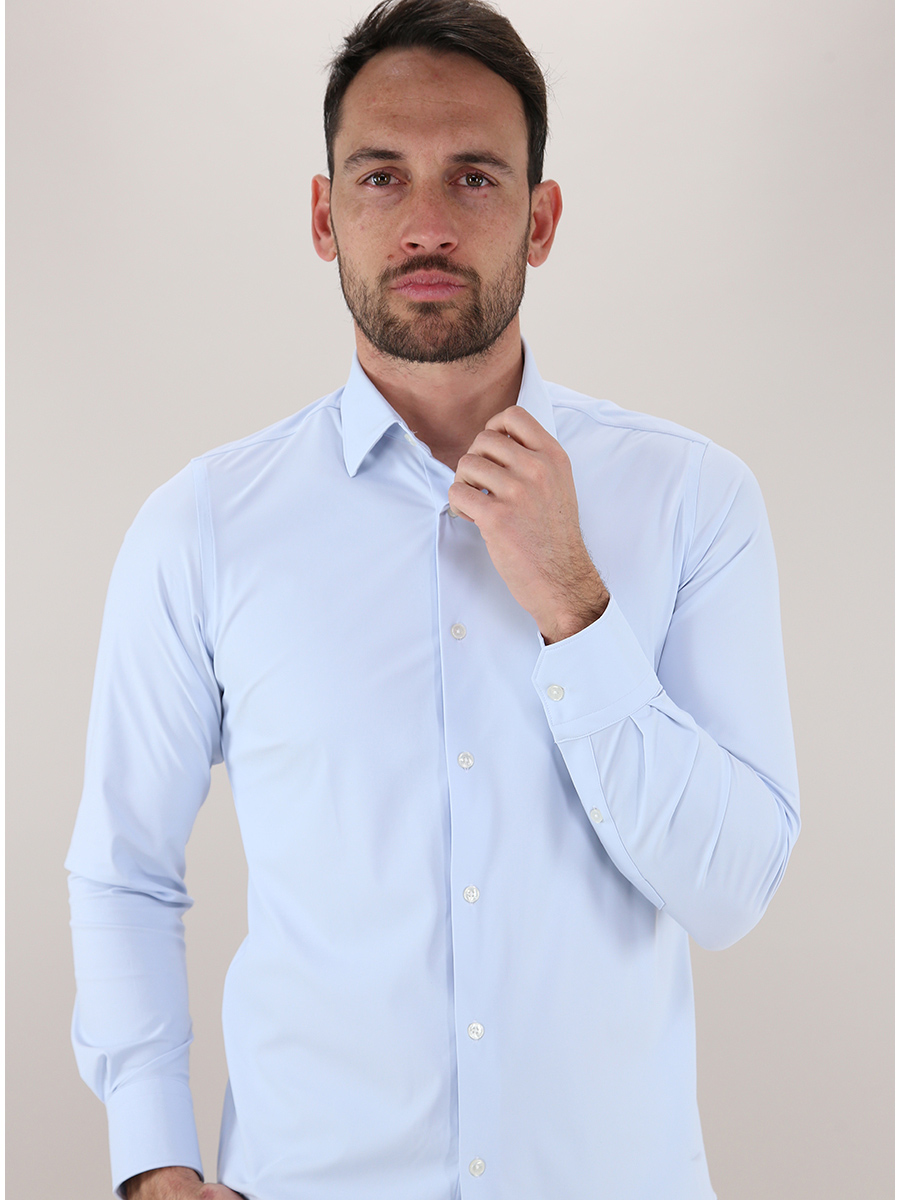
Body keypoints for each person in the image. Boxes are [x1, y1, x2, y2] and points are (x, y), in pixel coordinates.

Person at [65, 1, 800, 1197]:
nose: (426, 224)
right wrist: (154, 1166)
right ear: (323, 216)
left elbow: (731, 894)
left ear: (540, 219)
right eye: (380, 177)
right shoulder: (202, 529)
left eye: (473, 177)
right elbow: (123, 868)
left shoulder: (691, 500)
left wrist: (576, 604)